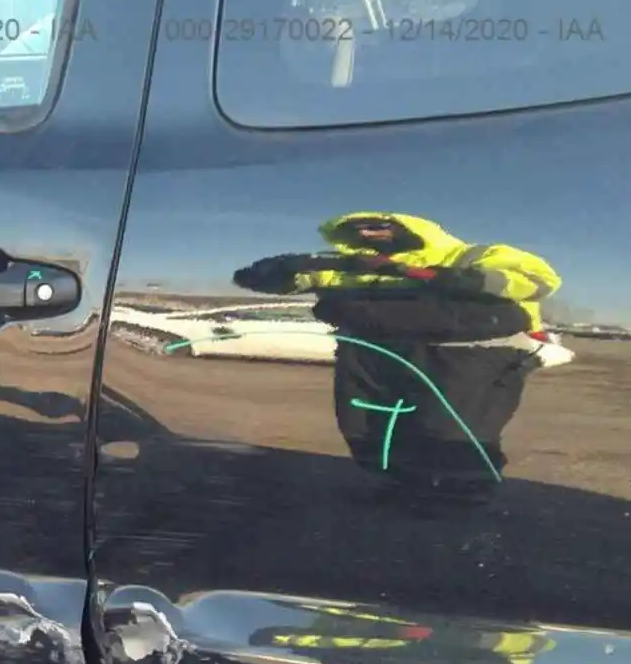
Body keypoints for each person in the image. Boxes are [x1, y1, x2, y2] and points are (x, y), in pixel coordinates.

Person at [233, 212, 562, 498]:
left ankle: (462, 497)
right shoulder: (350, 266)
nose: (367, 234)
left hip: (467, 354)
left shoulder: (474, 254)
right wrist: (289, 265)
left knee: (450, 428)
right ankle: (401, 484)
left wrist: (408, 271)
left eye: (378, 227)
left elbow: (533, 282)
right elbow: (253, 280)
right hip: (374, 352)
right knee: (368, 420)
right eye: (359, 230)